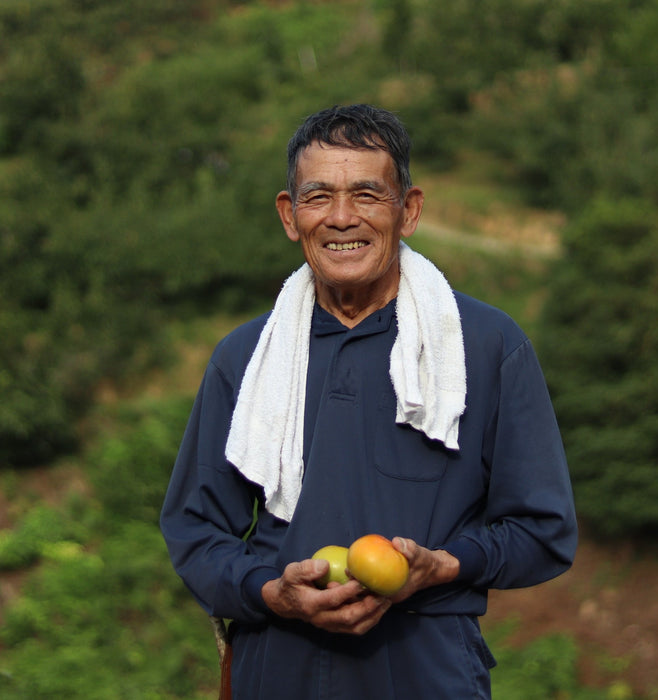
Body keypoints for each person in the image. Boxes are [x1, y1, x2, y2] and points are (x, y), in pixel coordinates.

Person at [160, 104, 577, 699]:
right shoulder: (246, 356)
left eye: (366, 195)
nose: (341, 218)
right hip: (278, 668)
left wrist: (445, 566)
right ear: (289, 214)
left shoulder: (485, 347)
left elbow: (544, 531)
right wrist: (269, 591)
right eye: (318, 196)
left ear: (407, 210)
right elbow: (196, 530)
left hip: (425, 668)